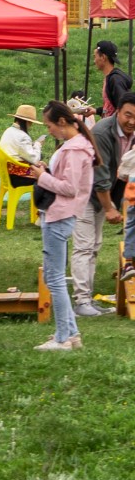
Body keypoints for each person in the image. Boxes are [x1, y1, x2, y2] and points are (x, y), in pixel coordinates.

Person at [30, 101, 95, 350]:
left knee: (55, 279)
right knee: (51, 276)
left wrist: (42, 177)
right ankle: (71, 333)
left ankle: (62, 337)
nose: (48, 131)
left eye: (48, 125)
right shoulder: (73, 146)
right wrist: (47, 172)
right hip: (57, 214)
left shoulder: (76, 149)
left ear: (61, 122)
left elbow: (70, 188)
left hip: (60, 215)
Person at [73, 95, 135, 319]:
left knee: (95, 245)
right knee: (84, 246)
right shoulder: (101, 131)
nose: (132, 121)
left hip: (104, 193)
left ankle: (87, 300)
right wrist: (109, 208)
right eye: (128, 114)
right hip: (84, 193)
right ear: (118, 111)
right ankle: (81, 301)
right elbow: (99, 176)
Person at [0, 105, 44, 187]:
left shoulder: (8, 131)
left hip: (7, 174)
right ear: (27, 122)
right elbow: (35, 159)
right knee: (46, 175)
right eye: (31, 123)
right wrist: (38, 144)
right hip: (19, 176)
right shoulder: (22, 136)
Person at [96, 41, 133, 117]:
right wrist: (96, 111)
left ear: (103, 57)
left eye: (95, 56)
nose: (94, 61)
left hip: (114, 127)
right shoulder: (109, 78)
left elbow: (123, 107)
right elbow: (110, 107)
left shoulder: (115, 80)